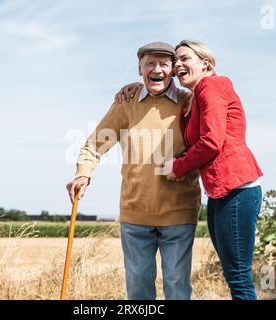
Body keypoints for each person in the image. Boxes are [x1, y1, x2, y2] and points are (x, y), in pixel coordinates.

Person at [116, 40, 263, 300]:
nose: (179, 64)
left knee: (239, 275)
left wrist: (178, 167)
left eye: (185, 58)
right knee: (233, 273)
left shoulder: (211, 85)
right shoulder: (194, 98)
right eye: (177, 62)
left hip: (237, 189)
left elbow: (211, 141)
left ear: (205, 63)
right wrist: (136, 87)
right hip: (220, 192)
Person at [66, 42, 202, 300]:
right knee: (138, 289)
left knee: (176, 285)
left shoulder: (189, 102)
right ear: (140, 69)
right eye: (150, 63)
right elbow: (95, 144)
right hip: (135, 213)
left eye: (164, 63)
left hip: (179, 212)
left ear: (173, 70)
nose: (156, 69)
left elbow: (206, 142)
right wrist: (83, 173)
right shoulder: (126, 103)